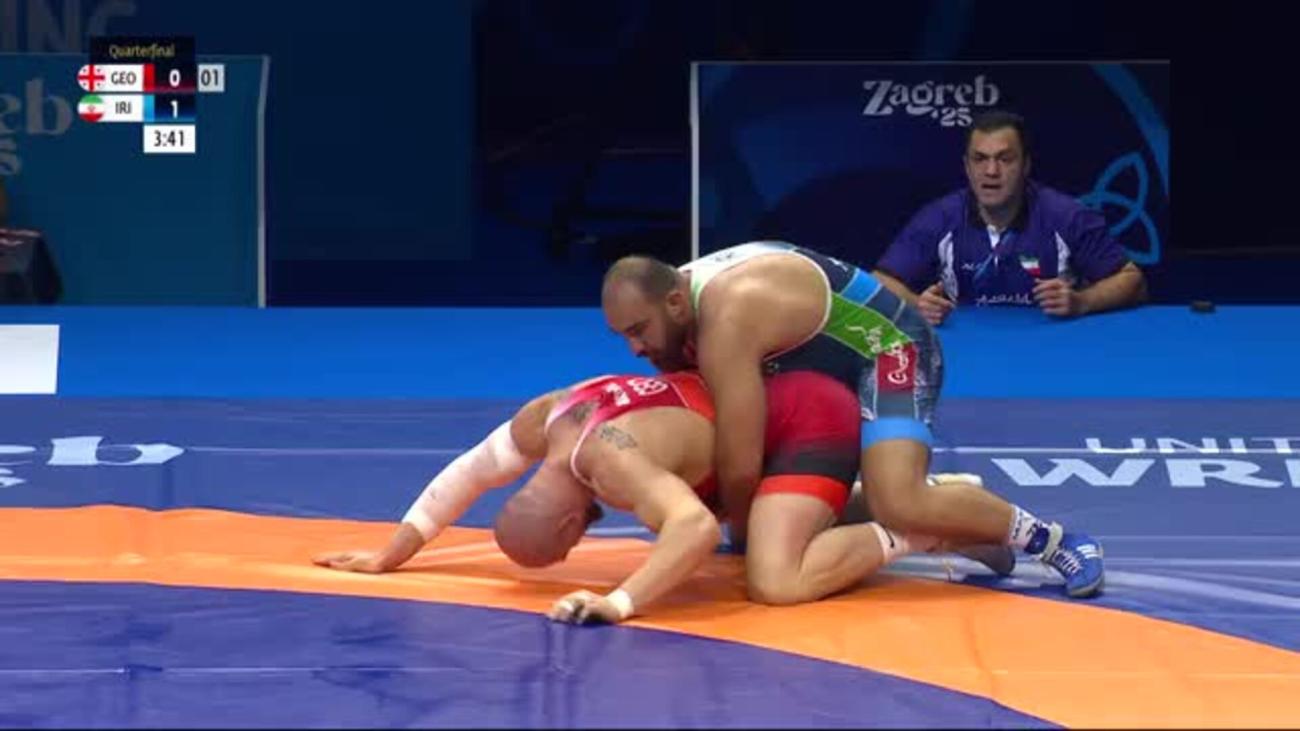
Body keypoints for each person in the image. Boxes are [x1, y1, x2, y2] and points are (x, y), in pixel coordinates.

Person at [600, 241, 1105, 598]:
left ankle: (1055, 540)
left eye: (639, 331)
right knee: (761, 502)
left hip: (889, 348)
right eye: (624, 336)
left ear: (674, 303)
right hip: (815, 367)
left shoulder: (724, 317)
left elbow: (741, 463)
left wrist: (727, 528)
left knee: (897, 500)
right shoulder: (676, 303)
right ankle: (954, 519)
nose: (635, 349)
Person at [313, 369, 974, 624]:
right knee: (733, 530)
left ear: (570, 522)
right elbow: (473, 469)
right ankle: (928, 501)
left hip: (799, 422)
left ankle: (924, 527)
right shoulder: (549, 416)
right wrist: (394, 551)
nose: (583, 540)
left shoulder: (611, 462)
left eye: (571, 543)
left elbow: (690, 529)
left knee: (774, 578)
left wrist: (619, 601)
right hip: (755, 431)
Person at [872, 109, 1147, 326]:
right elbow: (879, 281)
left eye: (1005, 159)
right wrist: (917, 306)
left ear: (1025, 165)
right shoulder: (940, 217)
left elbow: (1133, 281)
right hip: (968, 349)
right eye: (980, 159)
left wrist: (1082, 302)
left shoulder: (1067, 216)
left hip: (1055, 349)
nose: (991, 171)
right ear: (967, 167)